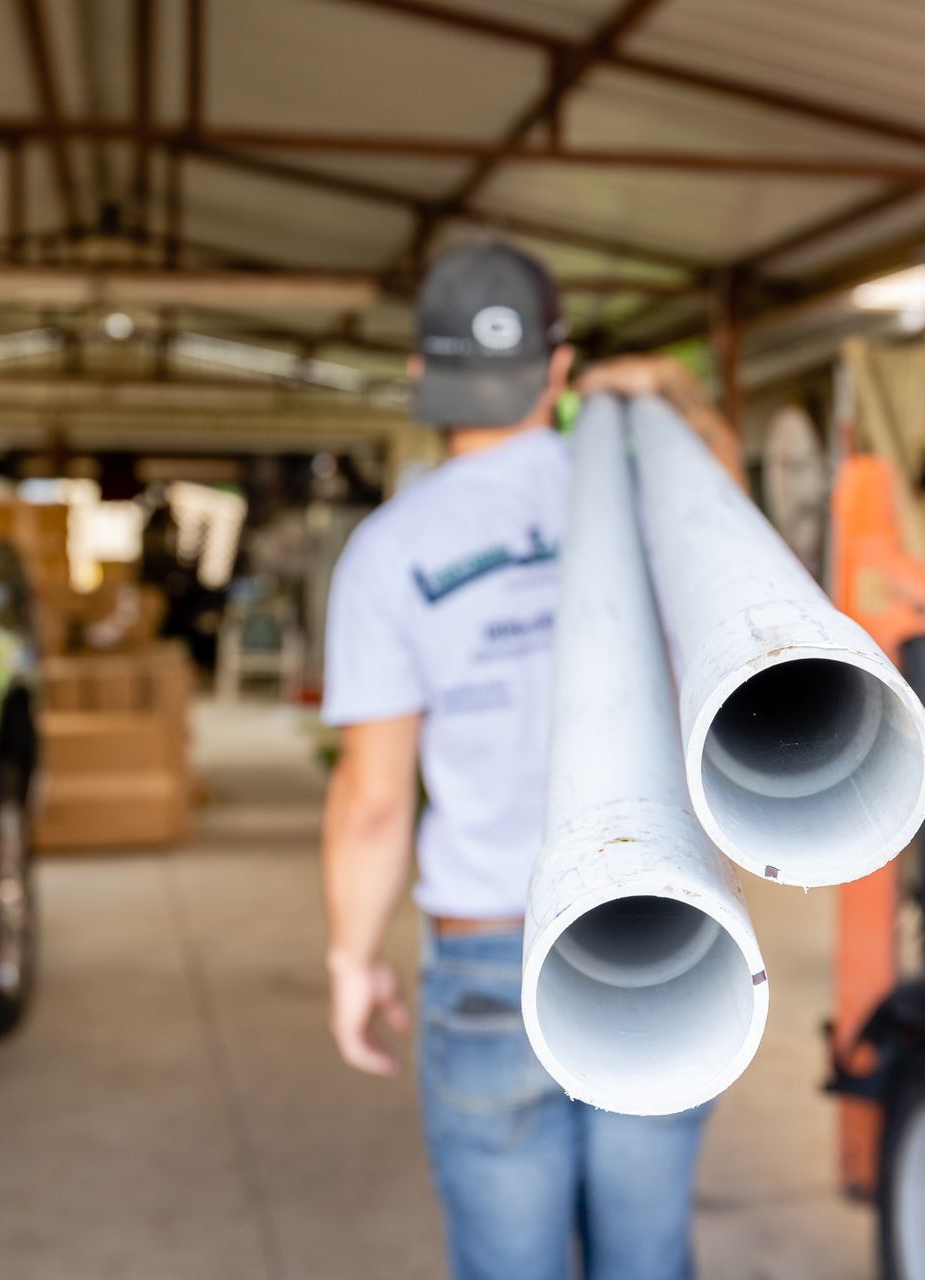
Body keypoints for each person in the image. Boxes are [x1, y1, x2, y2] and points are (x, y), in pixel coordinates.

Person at [318, 240, 742, 1280]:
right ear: (558, 371)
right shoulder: (653, 495)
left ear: (422, 376)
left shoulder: (388, 549)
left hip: (486, 952)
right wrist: (678, 390)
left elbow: (374, 799)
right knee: (646, 1258)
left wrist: (351, 955)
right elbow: (738, 542)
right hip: (661, 926)